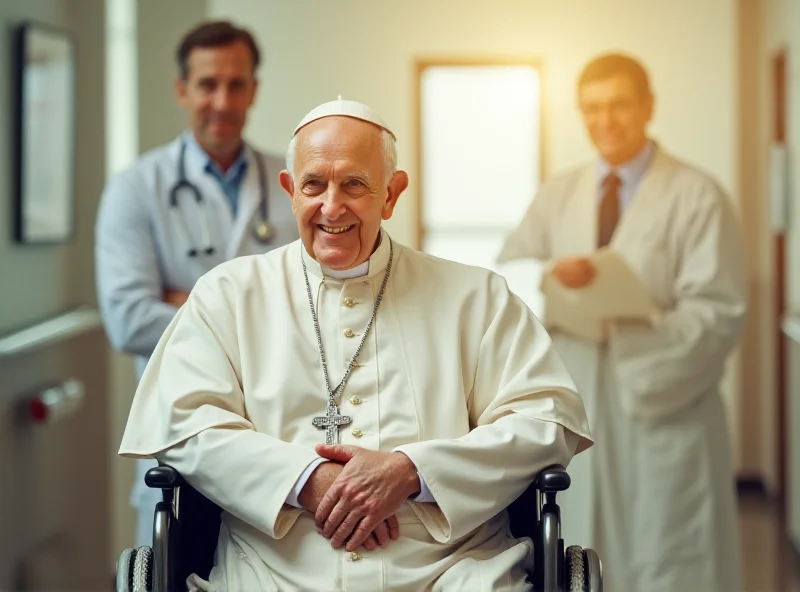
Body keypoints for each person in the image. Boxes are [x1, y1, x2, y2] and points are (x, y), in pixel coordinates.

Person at [118, 97, 593, 591]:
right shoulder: (227, 295)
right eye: (314, 185)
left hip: (452, 567)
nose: (331, 206)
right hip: (272, 568)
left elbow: (547, 418)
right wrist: (306, 481)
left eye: (354, 185)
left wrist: (413, 472)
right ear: (290, 191)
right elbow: (184, 419)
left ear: (391, 194)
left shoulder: (477, 297)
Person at [497, 53, 746, 591]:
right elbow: (508, 273)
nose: (604, 120)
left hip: (662, 405)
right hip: (579, 394)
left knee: (671, 551)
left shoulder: (698, 195)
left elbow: (720, 310)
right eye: (591, 107)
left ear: (648, 106)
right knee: (583, 553)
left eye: (618, 105)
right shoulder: (558, 192)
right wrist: (550, 275)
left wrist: (627, 330)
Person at [95, 20, 299, 548]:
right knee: (175, 564)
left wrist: (186, 302)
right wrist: (262, 314)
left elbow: (320, 304)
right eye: (208, 84)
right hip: (179, 436)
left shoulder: (296, 185)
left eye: (236, 84)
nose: (222, 101)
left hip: (285, 437)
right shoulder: (136, 189)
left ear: (254, 89)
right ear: (182, 89)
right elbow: (129, 320)